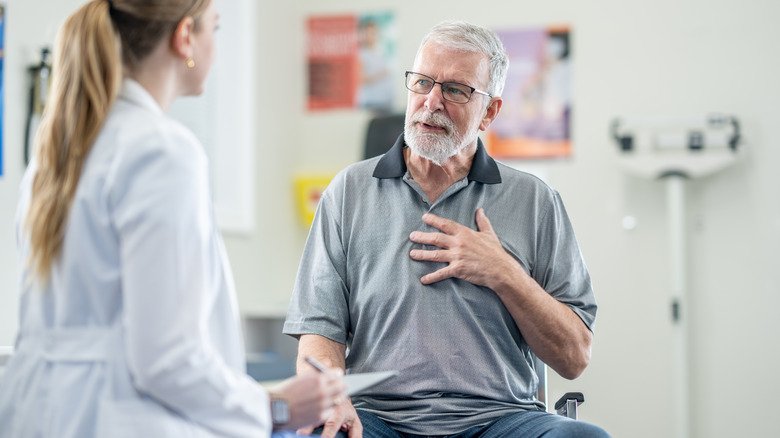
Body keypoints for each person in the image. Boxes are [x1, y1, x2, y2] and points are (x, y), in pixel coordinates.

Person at [0, 1, 345, 437]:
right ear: (185, 38)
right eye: (214, 30)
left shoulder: (55, 156)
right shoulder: (161, 152)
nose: (215, 48)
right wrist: (275, 407)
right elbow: (165, 359)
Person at [284, 21, 609, 438]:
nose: (432, 102)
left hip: (501, 420)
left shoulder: (535, 201)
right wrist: (333, 399)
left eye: (456, 90)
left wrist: (504, 273)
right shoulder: (348, 192)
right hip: (379, 420)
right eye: (422, 83)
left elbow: (575, 356)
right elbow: (319, 330)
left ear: (490, 112)